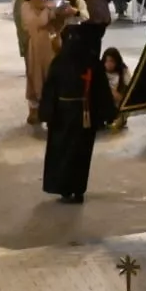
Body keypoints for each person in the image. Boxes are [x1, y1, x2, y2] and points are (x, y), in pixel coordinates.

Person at [39, 26, 115, 204]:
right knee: (79, 153)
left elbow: (50, 90)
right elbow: (101, 90)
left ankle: (66, 189)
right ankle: (75, 189)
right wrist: (106, 113)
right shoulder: (91, 62)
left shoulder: (61, 61)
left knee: (65, 152)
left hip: (67, 115)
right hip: (81, 115)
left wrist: (47, 113)